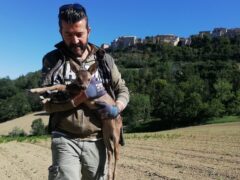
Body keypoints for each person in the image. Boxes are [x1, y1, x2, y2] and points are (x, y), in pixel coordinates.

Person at [40, 3, 129, 180]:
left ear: (89, 30)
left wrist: (117, 107)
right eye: (68, 34)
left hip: (97, 140)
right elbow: (46, 104)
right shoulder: (53, 60)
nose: (74, 41)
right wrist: (78, 100)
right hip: (65, 138)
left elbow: (122, 90)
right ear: (60, 32)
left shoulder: (105, 60)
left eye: (79, 34)